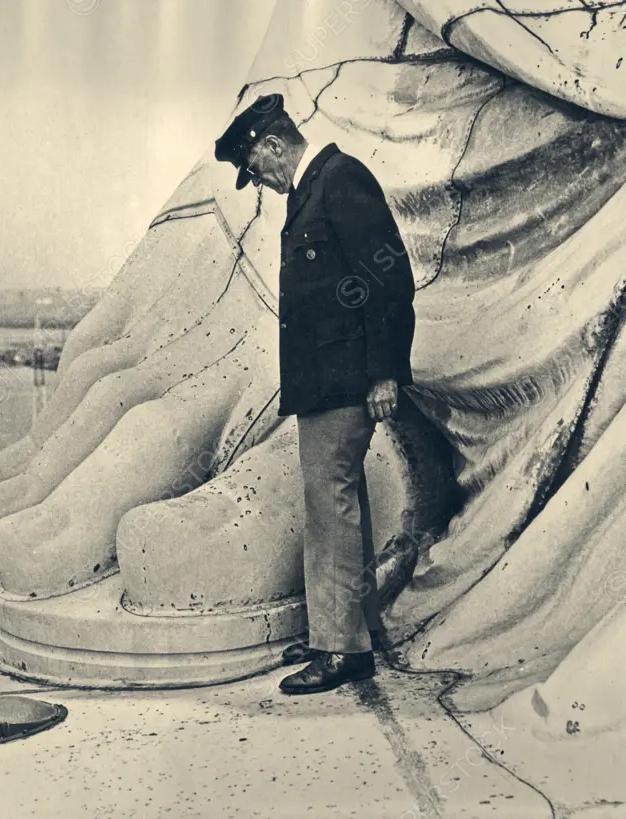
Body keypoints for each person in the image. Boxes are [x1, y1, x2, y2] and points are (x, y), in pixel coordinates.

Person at [215, 93, 416, 695]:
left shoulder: (339, 178)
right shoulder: (312, 192)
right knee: (342, 505)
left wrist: (384, 373)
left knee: (329, 509)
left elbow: (390, 274)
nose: (260, 183)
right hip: (326, 382)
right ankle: (350, 632)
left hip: (346, 381)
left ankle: (340, 651)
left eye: (256, 168)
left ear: (275, 145)